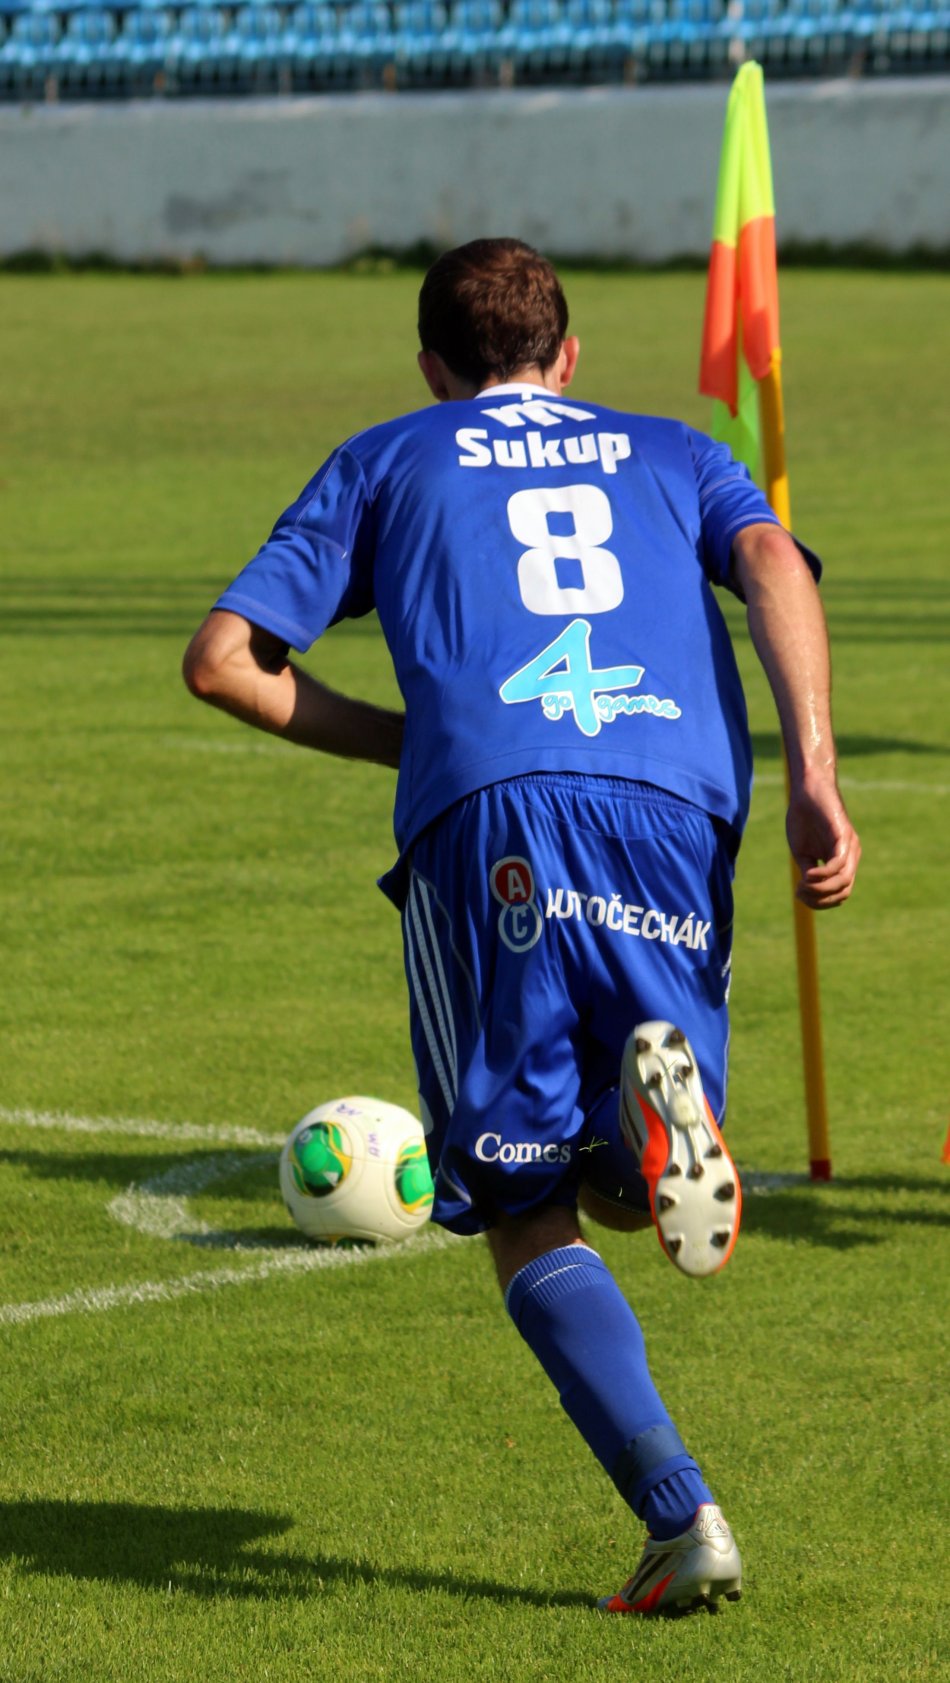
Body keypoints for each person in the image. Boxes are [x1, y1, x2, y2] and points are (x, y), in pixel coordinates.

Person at [183, 239, 860, 1615]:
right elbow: (771, 562)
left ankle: (681, 1519)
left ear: (432, 368)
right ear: (569, 356)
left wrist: (420, 744)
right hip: (673, 803)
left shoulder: (389, 454)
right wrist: (815, 775)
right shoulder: (674, 450)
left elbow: (224, 663)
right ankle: (646, 1122)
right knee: (621, 1183)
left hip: (489, 822)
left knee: (523, 1203)